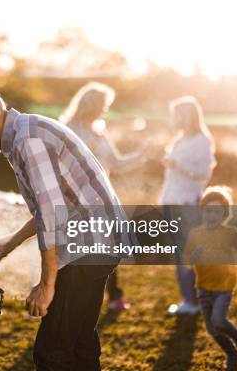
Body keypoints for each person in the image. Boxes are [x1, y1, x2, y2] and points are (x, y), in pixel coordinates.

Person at [0, 85, 137, 370]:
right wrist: (12, 241)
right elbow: (54, 206)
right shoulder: (25, 132)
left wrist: (47, 285)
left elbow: (52, 214)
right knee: (78, 342)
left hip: (86, 248)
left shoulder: (28, 141)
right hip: (97, 244)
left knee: (54, 352)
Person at [60, 81, 145, 312]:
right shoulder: (68, 130)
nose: (105, 110)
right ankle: (69, 299)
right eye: (103, 105)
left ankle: (113, 295)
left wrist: (141, 155)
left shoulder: (100, 131)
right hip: (75, 201)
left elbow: (116, 164)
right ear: (92, 105)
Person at [183, 186, 237, 371]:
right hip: (203, 286)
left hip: (224, 284)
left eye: (217, 212)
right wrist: (193, 257)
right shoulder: (195, 234)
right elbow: (186, 261)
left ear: (224, 214)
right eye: (208, 211)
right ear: (202, 211)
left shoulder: (230, 232)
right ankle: (231, 353)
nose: (211, 216)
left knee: (219, 320)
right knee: (212, 329)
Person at [160, 96, 216, 315]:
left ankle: (193, 302)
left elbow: (204, 174)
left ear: (189, 115)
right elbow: (172, 176)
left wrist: (177, 165)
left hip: (187, 203)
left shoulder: (202, 140)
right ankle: (190, 299)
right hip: (171, 202)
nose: (174, 118)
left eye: (178, 114)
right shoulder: (179, 139)